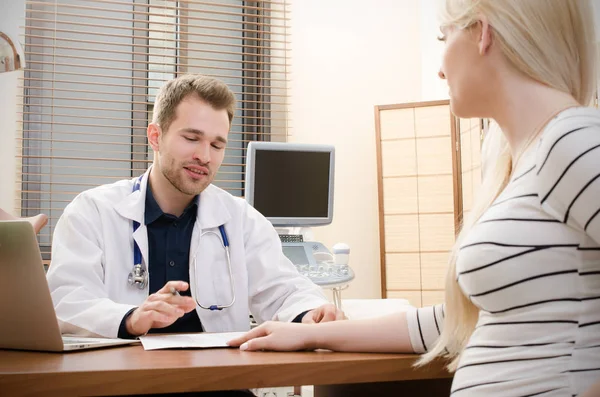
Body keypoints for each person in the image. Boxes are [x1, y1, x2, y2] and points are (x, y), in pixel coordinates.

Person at [229, 1, 600, 396]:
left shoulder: (572, 142)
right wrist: (309, 335)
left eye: (444, 38)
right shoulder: (521, 163)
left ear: (482, 33)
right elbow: (452, 324)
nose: (439, 68)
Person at [46, 74, 344, 344]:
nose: (204, 156)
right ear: (155, 136)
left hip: (216, 379)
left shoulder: (241, 219)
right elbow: (66, 300)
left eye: (217, 145)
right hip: (122, 379)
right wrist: (131, 317)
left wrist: (312, 312)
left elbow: (284, 289)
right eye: (191, 138)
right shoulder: (93, 211)